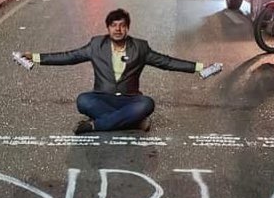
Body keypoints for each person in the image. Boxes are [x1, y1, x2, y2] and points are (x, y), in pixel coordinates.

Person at [20, 8, 214, 134]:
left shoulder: (140, 47)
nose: (118, 29)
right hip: (103, 97)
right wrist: (36, 58)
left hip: (131, 99)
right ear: (108, 28)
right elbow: (69, 57)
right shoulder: (96, 45)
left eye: (122, 25)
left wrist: (198, 67)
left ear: (127, 28)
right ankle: (133, 122)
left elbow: (166, 62)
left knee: (147, 104)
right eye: (113, 25)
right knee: (83, 100)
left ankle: (96, 125)